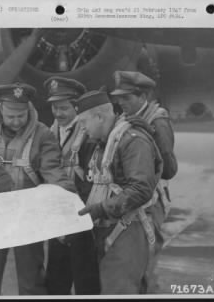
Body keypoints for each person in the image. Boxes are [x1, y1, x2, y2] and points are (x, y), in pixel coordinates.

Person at [0, 82, 76, 296]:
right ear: (1, 110)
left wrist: (68, 198)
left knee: (32, 279)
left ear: (29, 109)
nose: (16, 122)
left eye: (21, 116)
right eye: (11, 116)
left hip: (28, 215)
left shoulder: (43, 134)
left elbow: (53, 170)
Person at [76, 89, 163, 294]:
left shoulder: (133, 140)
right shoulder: (104, 142)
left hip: (130, 227)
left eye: (83, 123)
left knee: (119, 290)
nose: (82, 129)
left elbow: (141, 189)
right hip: (113, 227)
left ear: (99, 117)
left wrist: (100, 209)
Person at [109, 71, 178, 292]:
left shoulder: (157, 119)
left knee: (148, 264)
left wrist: (150, 134)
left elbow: (169, 170)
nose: (121, 102)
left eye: (126, 97)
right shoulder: (125, 116)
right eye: (119, 97)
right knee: (130, 264)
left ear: (143, 95)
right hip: (131, 201)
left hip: (151, 203)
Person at [43, 77, 100, 295]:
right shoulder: (51, 131)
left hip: (81, 217)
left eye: (64, 108)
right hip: (57, 217)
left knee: (85, 280)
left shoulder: (89, 136)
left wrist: (74, 216)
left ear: (77, 107)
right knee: (56, 281)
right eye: (54, 107)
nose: (58, 113)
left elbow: (92, 181)